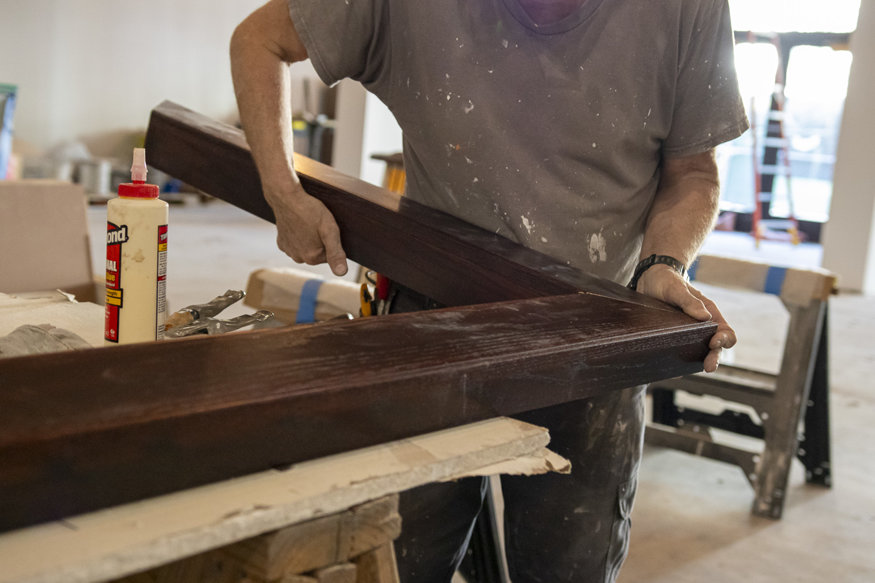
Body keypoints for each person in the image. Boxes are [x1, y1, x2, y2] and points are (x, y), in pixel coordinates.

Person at [229, 0, 747, 581]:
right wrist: (284, 193)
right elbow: (258, 41)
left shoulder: (685, 8)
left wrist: (663, 263)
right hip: (430, 327)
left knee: (568, 565)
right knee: (401, 558)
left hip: (596, 339)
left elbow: (693, 171)